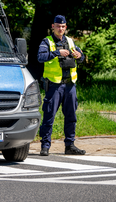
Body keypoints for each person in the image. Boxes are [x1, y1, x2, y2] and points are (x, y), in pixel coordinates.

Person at [38, 15, 86, 156]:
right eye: (58, 26)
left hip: (70, 86)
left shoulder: (70, 42)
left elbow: (82, 58)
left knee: (71, 116)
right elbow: (40, 57)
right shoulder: (47, 41)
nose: (61, 29)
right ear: (53, 26)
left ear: (66, 27)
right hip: (54, 86)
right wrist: (56, 53)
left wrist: (79, 55)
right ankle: (45, 146)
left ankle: (69, 146)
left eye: (63, 26)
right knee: (49, 116)